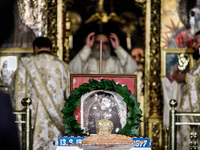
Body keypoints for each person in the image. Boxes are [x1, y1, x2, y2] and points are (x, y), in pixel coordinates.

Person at [8, 37, 71, 150]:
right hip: (57, 125)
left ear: (35, 48)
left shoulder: (24, 66)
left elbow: (13, 90)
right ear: (51, 49)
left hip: (31, 123)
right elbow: (71, 96)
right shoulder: (62, 66)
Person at [171, 30, 200, 149]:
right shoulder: (197, 64)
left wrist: (185, 77)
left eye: (196, 42)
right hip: (188, 115)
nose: (193, 45)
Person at [69, 32, 137, 74]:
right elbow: (72, 70)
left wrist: (118, 48)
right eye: (98, 42)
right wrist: (87, 48)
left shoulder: (116, 62)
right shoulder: (86, 62)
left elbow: (133, 69)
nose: (101, 45)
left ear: (109, 46)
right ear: (93, 44)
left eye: (105, 43)